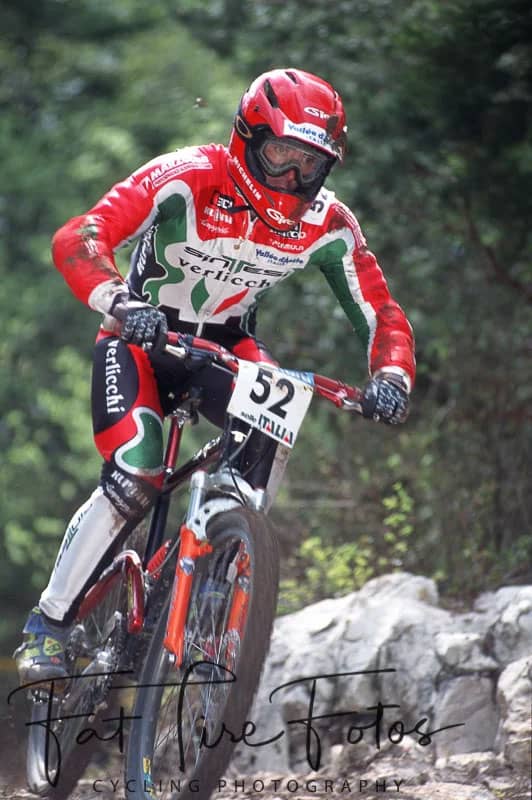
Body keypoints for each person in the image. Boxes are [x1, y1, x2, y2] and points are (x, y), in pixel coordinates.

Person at [15, 68, 415, 684]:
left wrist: (391, 375)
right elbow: (82, 236)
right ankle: (49, 624)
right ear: (247, 137)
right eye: (281, 154)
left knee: (275, 420)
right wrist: (120, 303)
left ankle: (219, 564)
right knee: (138, 469)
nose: (291, 178)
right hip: (140, 337)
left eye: (310, 165)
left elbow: (381, 311)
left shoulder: (329, 223)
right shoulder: (189, 174)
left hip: (226, 344)